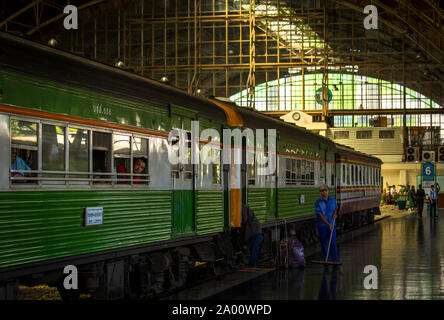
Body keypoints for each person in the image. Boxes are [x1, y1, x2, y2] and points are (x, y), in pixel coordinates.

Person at [315, 184, 339, 262]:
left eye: (326, 190)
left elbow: (335, 208)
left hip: (332, 224)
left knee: (333, 243)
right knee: (324, 242)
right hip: (322, 226)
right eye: (322, 191)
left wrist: (335, 214)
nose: (324, 192)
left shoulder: (333, 200)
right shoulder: (318, 202)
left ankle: (335, 260)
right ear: (320, 193)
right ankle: (327, 260)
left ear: (328, 191)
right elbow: (320, 215)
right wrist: (328, 224)